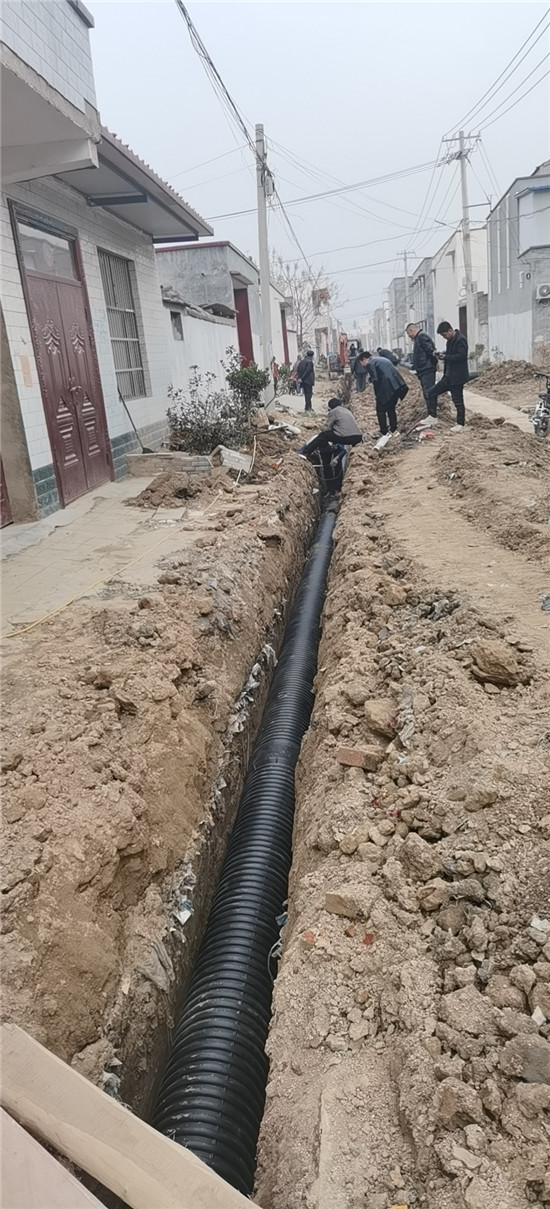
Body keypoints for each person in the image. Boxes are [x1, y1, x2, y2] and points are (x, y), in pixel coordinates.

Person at [297, 398, 363, 492]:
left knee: (323, 436)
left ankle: (306, 452)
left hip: (344, 437)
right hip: (357, 437)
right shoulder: (347, 411)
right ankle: (336, 488)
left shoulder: (333, 412)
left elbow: (327, 428)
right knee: (336, 465)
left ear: (331, 407)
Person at [359, 351, 409, 450]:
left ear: (364, 359)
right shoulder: (380, 359)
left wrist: (377, 394)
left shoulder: (370, 364)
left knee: (380, 410)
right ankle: (394, 429)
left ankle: (384, 431)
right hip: (397, 386)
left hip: (386, 387)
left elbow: (375, 379)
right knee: (391, 408)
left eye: (361, 363)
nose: (363, 366)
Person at [426, 321, 469, 429]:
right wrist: (442, 354)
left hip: (457, 377)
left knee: (458, 401)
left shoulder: (460, 340)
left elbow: (462, 356)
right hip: (448, 376)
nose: (444, 337)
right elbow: (451, 354)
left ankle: (460, 424)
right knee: (431, 393)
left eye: (444, 335)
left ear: (450, 330)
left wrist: (446, 357)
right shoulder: (450, 341)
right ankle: (432, 417)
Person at [406, 322, 438, 421]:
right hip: (423, 369)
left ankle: (433, 415)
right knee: (426, 392)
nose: (409, 336)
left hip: (427, 369)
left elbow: (431, 352)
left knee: (429, 392)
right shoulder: (418, 338)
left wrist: (433, 364)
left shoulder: (421, 336)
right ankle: (430, 413)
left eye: (408, 333)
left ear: (411, 330)